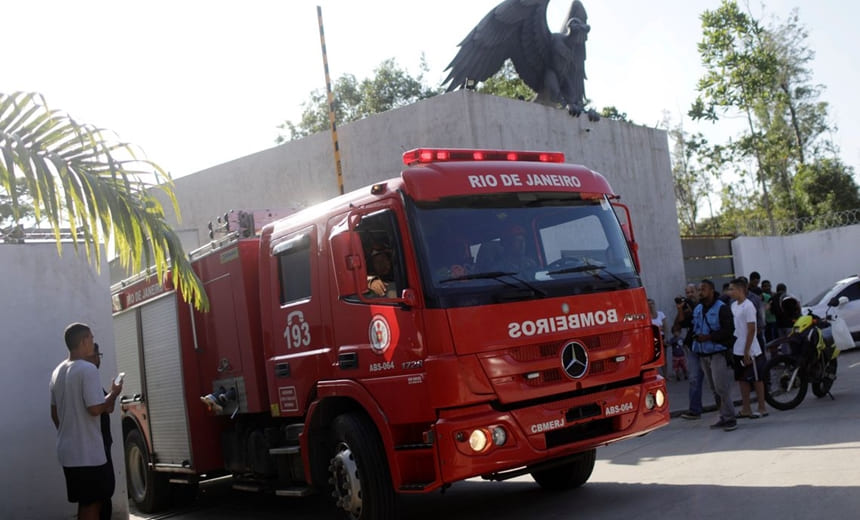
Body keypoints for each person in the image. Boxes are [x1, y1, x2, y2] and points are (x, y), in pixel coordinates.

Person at [50, 323, 122, 520]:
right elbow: (95, 408)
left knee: (86, 502)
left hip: (68, 451)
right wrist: (114, 394)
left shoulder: (58, 371)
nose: (93, 342)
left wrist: (69, 433)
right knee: (93, 503)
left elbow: (54, 413)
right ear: (83, 341)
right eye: (91, 338)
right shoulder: (87, 369)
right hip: (88, 453)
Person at [691, 280, 737, 431]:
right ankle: (723, 416)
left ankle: (730, 418)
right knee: (713, 388)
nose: (700, 292)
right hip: (703, 353)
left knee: (721, 387)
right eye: (698, 289)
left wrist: (709, 337)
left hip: (718, 353)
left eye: (703, 289)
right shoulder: (697, 308)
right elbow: (694, 327)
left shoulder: (722, 308)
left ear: (711, 290)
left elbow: (729, 330)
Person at [730, 277, 769, 419]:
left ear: (740, 290)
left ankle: (762, 407)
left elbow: (752, 329)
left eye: (732, 289)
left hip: (751, 349)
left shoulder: (749, 306)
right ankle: (746, 408)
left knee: (756, 379)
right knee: (742, 379)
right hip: (737, 348)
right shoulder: (733, 306)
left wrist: (747, 350)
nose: (730, 292)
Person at [85, 343, 113, 520]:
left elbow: (107, 408)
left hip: (99, 444)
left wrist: (112, 395)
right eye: (97, 355)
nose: (98, 359)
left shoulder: (88, 377)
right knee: (99, 497)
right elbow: (98, 408)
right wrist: (115, 392)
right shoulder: (87, 376)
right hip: (97, 447)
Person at [673, 284, 705, 420]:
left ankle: (723, 409)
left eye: (692, 291)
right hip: (693, 346)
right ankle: (695, 409)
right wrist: (680, 309)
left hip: (707, 345)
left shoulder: (705, 304)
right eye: (687, 292)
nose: (690, 294)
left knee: (714, 379)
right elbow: (680, 324)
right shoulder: (687, 307)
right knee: (694, 379)